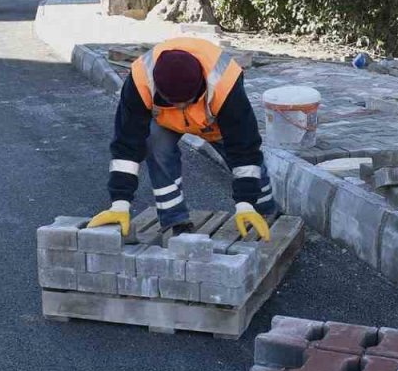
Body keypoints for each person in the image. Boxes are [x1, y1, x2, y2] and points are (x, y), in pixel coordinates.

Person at [87, 38, 275, 241]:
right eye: (174, 102)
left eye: (186, 102)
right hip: (165, 119)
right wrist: (120, 203)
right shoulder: (140, 80)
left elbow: (244, 146)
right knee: (156, 144)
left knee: (245, 163)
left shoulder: (225, 83)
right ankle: (175, 221)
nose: (180, 107)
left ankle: (266, 212)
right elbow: (126, 144)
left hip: (213, 120)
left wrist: (245, 203)